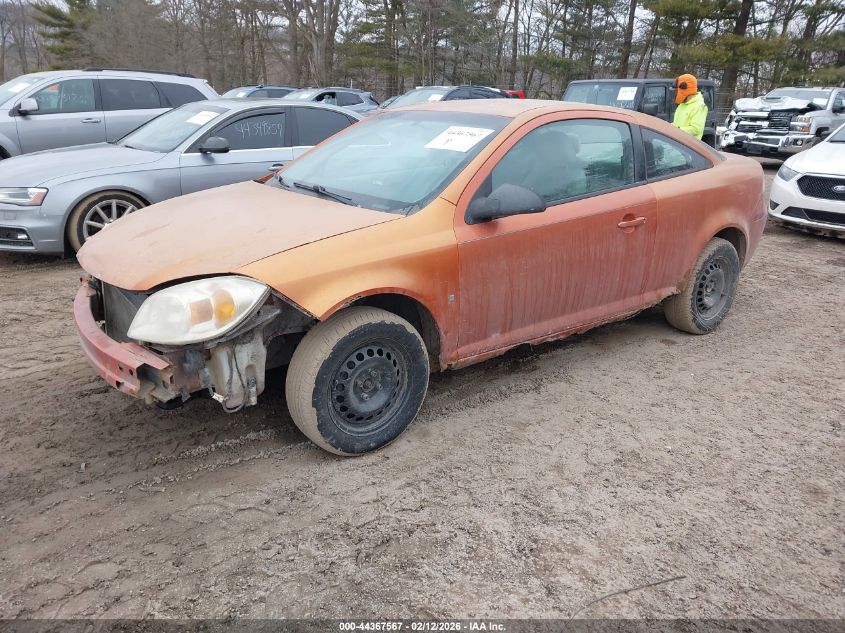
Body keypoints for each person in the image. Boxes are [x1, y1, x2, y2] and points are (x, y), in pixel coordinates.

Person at [672, 73, 708, 140]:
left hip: (688, 145)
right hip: (677, 142)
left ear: (684, 88)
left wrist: (676, 130)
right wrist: (666, 127)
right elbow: (676, 124)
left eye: (677, 89)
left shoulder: (700, 106)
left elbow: (696, 129)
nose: (676, 92)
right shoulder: (682, 105)